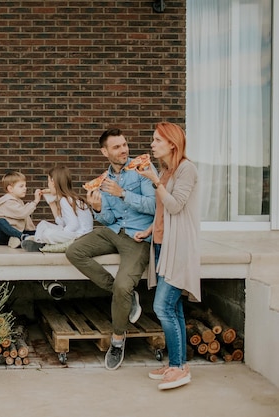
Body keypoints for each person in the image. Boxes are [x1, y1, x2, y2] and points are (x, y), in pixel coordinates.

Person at [65, 128, 156, 371]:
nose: (124, 150)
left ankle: (117, 340)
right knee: (74, 252)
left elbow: (155, 206)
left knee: (123, 285)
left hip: (137, 236)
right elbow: (108, 219)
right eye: (116, 147)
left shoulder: (143, 168)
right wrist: (97, 209)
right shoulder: (103, 180)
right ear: (104, 152)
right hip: (114, 231)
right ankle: (125, 296)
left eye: (124, 144)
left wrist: (123, 193)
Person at [134, 122, 200, 390]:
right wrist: (149, 230)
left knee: (162, 306)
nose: (152, 144)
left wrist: (152, 180)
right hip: (162, 244)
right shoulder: (166, 170)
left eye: (157, 140)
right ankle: (179, 363)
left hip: (179, 247)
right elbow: (162, 211)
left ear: (172, 143)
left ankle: (178, 369)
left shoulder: (187, 169)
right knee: (174, 307)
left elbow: (175, 206)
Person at [21, 166, 94, 252]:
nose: (47, 185)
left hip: (80, 236)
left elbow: (73, 225)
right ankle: (38, 242)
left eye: (48, 181)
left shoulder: (65, 200)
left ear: (53, 182)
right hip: (75, 232)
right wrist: (51, 203)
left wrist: (60, 232)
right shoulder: (67, 198)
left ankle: (40, 243)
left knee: (47, 234)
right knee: (43, 224)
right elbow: (61, 223)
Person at [0, 171, 40, 248]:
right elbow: (23, 213)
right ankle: (23, 237)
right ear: (10, 189)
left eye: (25, 186)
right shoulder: (8, 202)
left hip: (17, 232)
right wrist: (35, 201)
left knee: (38, 232)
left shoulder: (19, 201)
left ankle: (18, 240)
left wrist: (33, 231)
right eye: (21, 186)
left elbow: (26, 219)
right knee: (0, 221)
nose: (25, 188)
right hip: (3, 236)